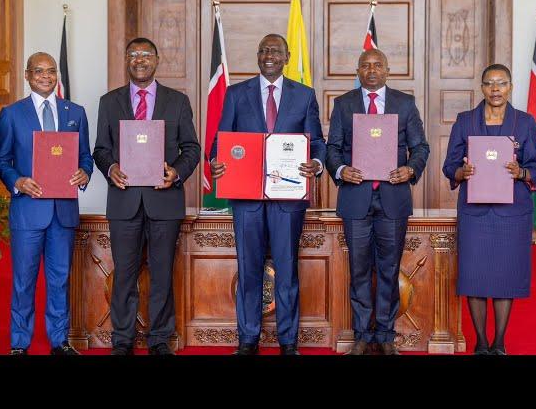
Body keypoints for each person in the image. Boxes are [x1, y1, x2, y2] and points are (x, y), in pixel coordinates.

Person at [210, 34, 326, 356]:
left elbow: (316, 142)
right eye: (263, 50)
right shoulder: (236, 94)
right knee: (249, 268)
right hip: (246, 199)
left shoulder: (304, 96)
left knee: (287, 269)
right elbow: (220, 143)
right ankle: (248, 340)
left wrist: (315, 164)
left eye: (275, 50)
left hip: (287, 199)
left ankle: (289, 342)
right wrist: (216, 162)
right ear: (257, 56)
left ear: (287, 56)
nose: (269, 55)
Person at [93, 37, 200, 355]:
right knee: (124, 274)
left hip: (164, 201)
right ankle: (122, 340)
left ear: (156, 60)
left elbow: (192, 149)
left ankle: (159, 339)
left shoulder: (177, 101)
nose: (139, 59)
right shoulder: (109, 101)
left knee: (162, 272)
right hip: (124, 201)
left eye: (145, 55)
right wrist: (110, 167)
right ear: (127, 60)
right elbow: (100, 149)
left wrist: (176, 172)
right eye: (133, 54)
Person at [326, 48, 429, 355]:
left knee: (388, 268)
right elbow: (332, 149)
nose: (371, 70)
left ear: (387, 70)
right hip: (355, 199)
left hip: (392, 200)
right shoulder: (343, 104)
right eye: (365, 66)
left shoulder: (405, 103)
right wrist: (343, 170)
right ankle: (361, 335)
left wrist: (410, 169)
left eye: (377, 65)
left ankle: (384, 336)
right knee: (358, 269)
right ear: (358, 71)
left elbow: (420, 147)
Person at [442, 64, 536, 355]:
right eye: (490, 83)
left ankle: (499, 342)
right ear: (482, 88)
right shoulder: (465, 121)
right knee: (474, 276)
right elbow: (449, 166)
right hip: (475, 213)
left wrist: (521, 172)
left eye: (501, 83)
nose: (496, 89)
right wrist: (462, 172)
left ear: (510, 86)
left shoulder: (524, 122)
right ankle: (481, 342)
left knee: (504, 277)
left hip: (512, 214)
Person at [0, 52, 93, 355]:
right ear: (27, 75)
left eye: (51, 71)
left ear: (57, 76)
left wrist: (85, 173)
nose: (46, 76)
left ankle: (59, 341)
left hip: (63, 212)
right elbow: (2, 159)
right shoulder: (12, 114)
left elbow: (86, 157)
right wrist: (17, 181)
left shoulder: (75, 112)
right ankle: (19, 344)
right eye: (39, 71)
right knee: (24, 282)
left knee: (59, 280)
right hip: (28, 210)